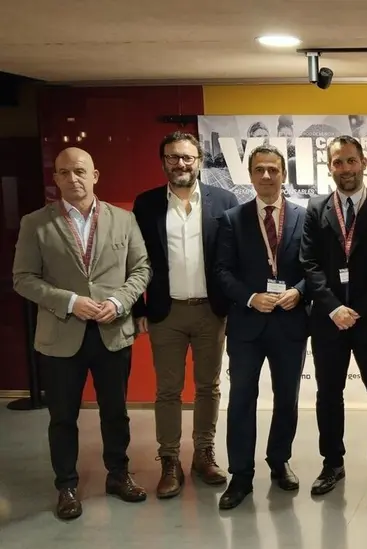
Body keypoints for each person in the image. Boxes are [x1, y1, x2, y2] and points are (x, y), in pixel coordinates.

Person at [12, 147, 151, 520]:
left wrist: (120, 302)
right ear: (55, 178)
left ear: (95, 175)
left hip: (112, 330)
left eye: (79, 171)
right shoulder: (35, 224)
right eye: (63, 172)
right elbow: (23, 279)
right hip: (61, 335)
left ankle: (118, 475)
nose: (72, 178)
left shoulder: (124, 220)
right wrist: (72, 301)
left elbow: (141, 268)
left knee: (116, 412)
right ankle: (67, 485)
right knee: (62, 416)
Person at [131, 131, 239, 498]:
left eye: (187, 158)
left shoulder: (223, 201)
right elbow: (135, 261)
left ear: (200, 161)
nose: (181, 164)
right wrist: (138, 308)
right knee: (168, 391)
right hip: (166, 313)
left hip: (212, 311)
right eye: (173, 157)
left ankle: (204, 455)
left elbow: (231, 259)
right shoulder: (145, 205)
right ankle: (170, 460)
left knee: (209, 387)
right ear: (163, 161)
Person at [301, 136, 367, 496]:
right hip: (329, 321)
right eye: (338, 162)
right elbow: (309, 264)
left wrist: (362, 308)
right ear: (330, 167)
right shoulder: (315, 208)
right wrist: (333, 307)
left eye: (351, 161)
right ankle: (332, 463)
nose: (346, 169)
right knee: (328, 394)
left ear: (364, 162)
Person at [215, 145, 309, 510]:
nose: (267, 176)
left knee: (287, 398)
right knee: (241, 400)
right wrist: (251, 297)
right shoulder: (232, 219)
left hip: (289, 323)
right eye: (259, 170)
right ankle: (240, 475)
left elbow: (312, 267)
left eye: (273, 169)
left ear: (283, 174)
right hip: (247, 325)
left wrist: (299, 293)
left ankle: (279, 461)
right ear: (250, 175)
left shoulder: (304, 217)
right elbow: (222, 271)